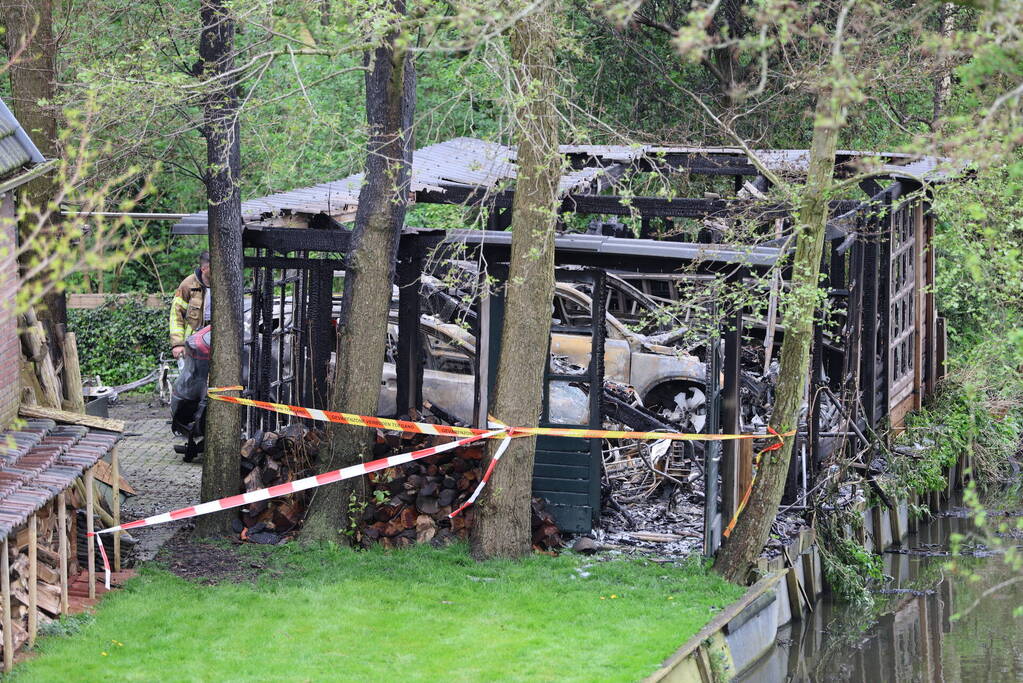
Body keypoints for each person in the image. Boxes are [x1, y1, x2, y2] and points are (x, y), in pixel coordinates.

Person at [169, 251, 212, 360]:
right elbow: (176, 314)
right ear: (204, 269)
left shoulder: (225, 283)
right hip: (194, 341)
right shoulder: (188, 284)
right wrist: (178, 344)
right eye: (214, 268)